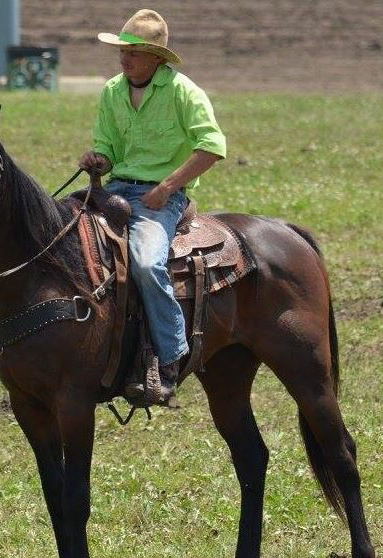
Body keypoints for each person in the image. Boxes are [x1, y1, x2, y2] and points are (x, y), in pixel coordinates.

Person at [79, 9, 226, 402]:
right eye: (122, 52)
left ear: (156, 58)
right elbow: (108, 148)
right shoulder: (112, 91)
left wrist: (168, 186)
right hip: (115, 189)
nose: (124, 59)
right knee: (68, 240)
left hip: (160, 197)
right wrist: (98, 160)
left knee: (145, 263)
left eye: (133, 53)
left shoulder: (183, 92)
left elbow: (212, 146)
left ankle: (169, 356)